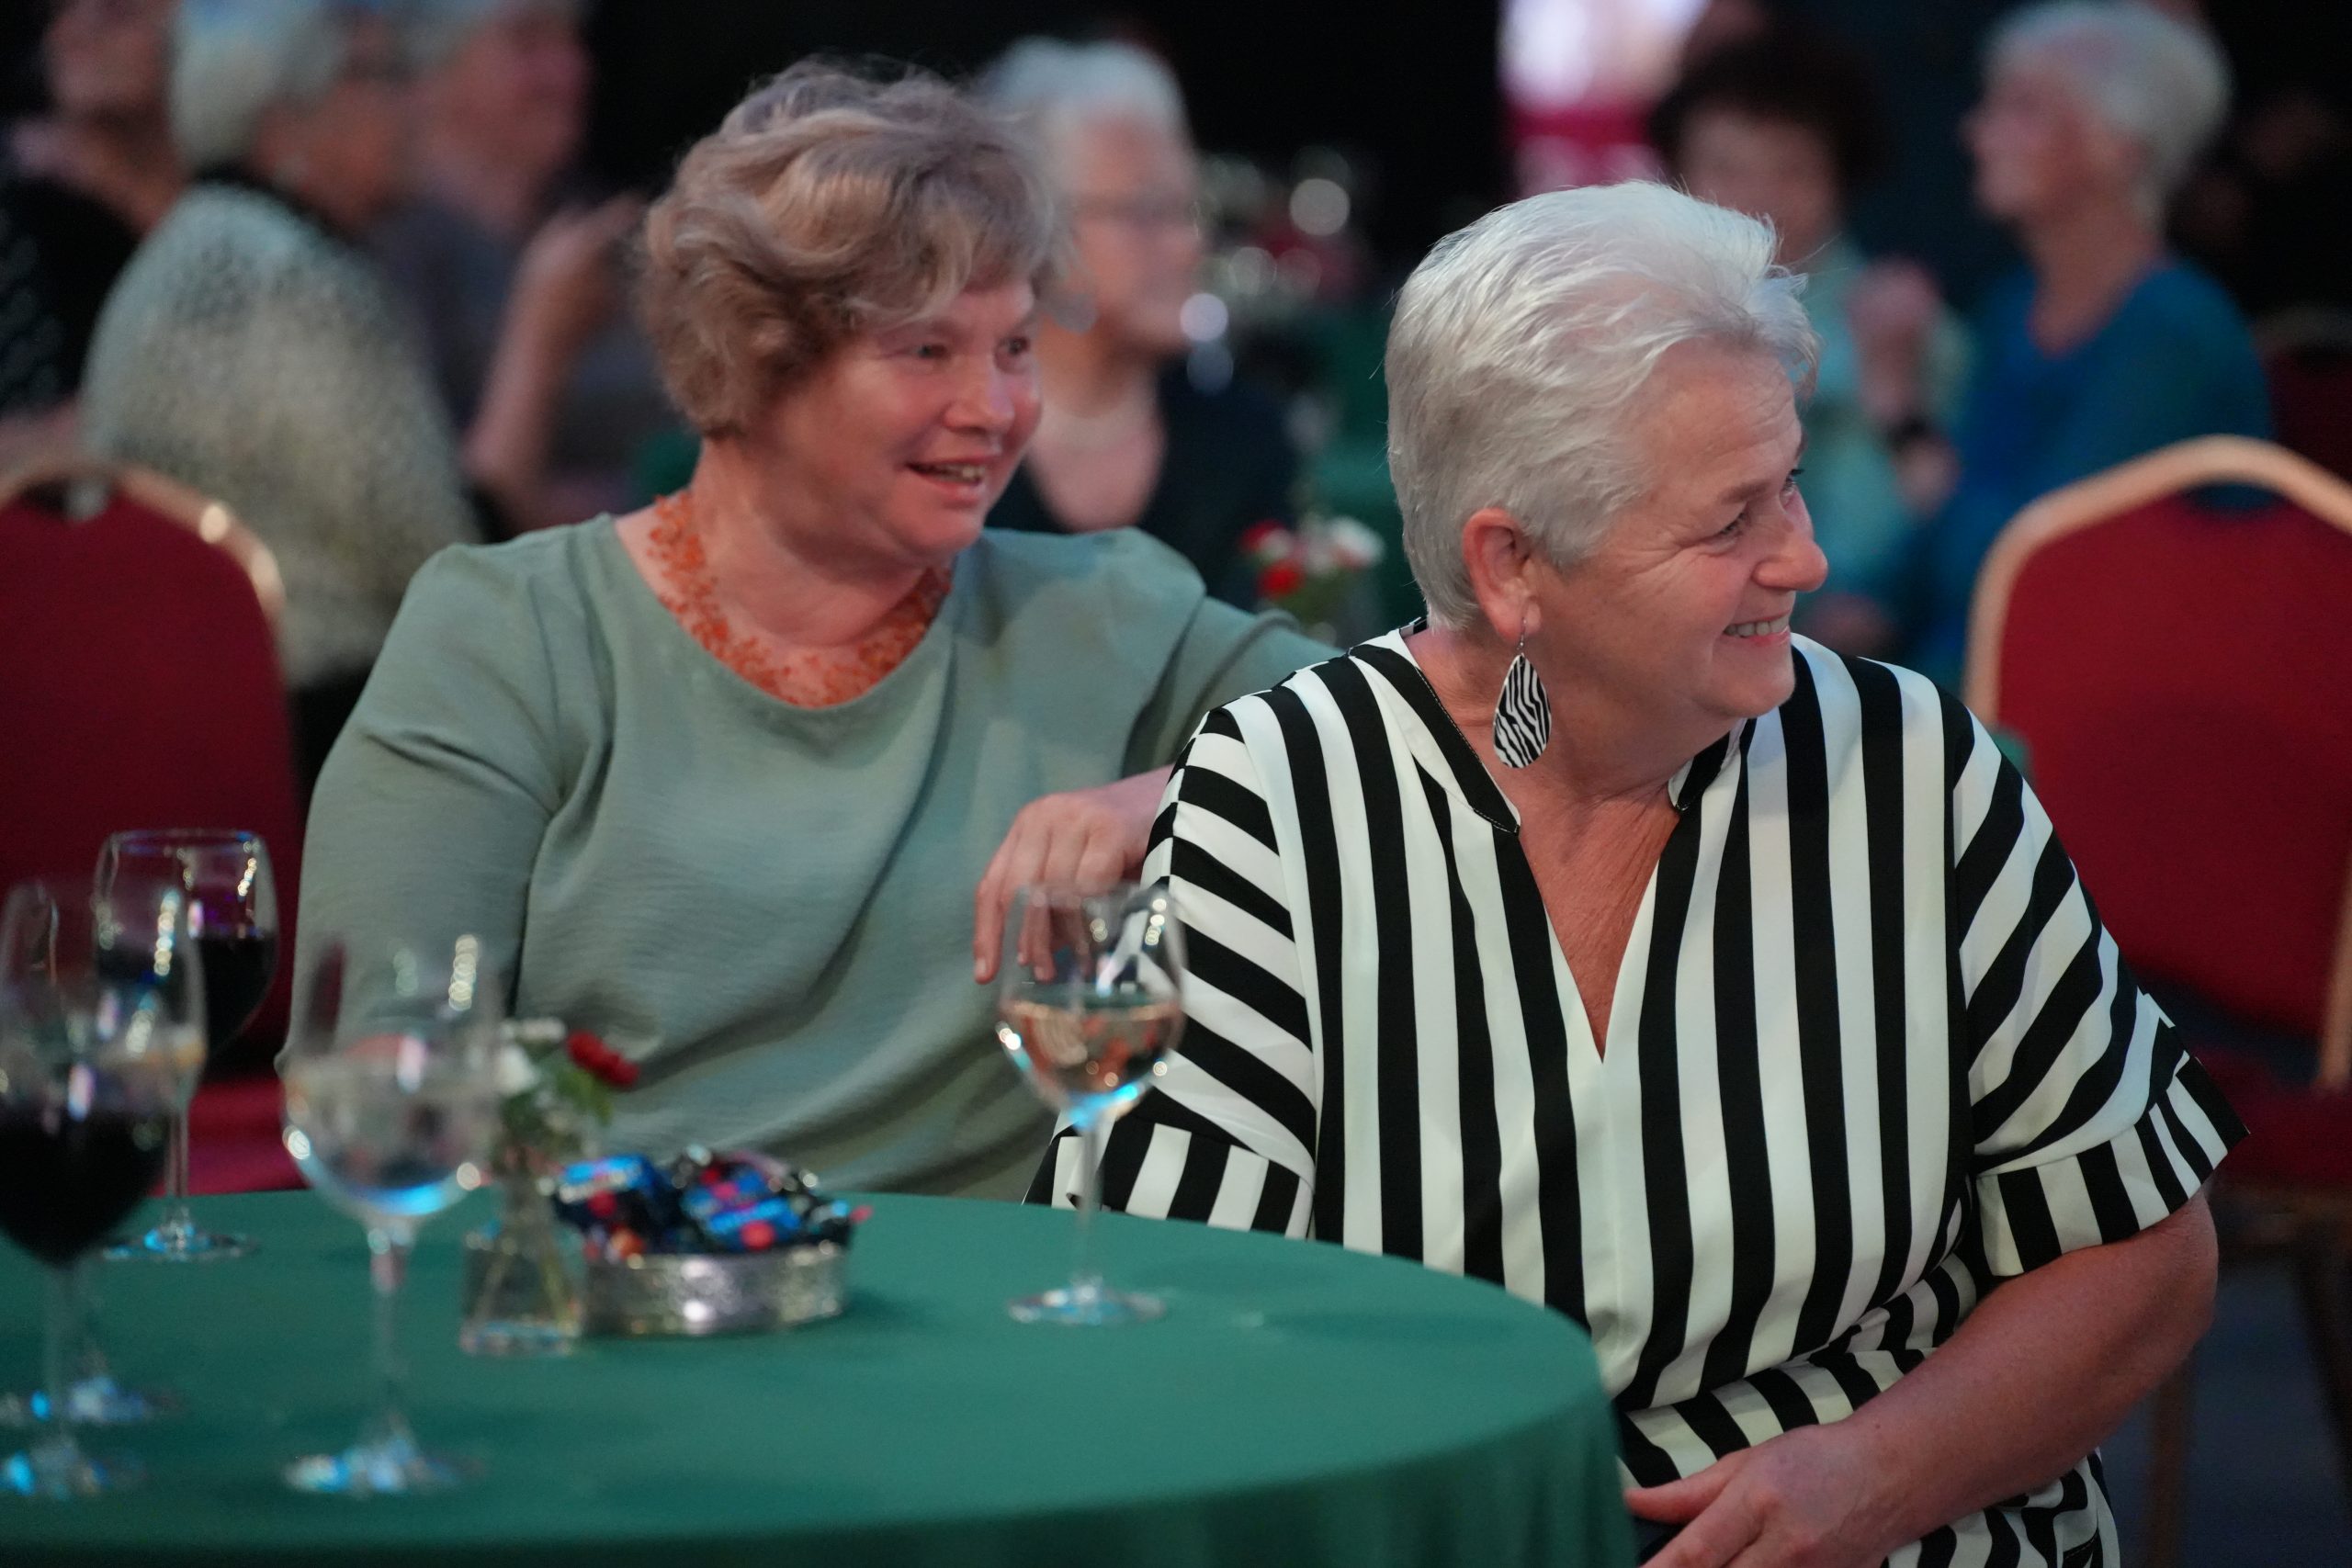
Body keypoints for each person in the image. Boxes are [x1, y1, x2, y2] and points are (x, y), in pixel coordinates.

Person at [1044, 183, 2240, 1565]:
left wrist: (1875, 1475)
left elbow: (2144, 1255)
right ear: (1511, 564)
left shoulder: (1909, 768)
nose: (1805, 556)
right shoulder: (1277, 801)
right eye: (1730, 522)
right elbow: (1165, 1308)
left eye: (1790, 482)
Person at [294, 62, 1329, 1200]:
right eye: (927, 350)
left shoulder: (1099, 611)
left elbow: (1419, 729)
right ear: (757, 362)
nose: (995, 410)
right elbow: (381, 1070)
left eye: (1014, 346)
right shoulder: (508, 636)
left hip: (999, 1293)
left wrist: (1179, 794)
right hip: (627, 1279)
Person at [78, 0, 607, 784]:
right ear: (284, 115)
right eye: (380, 74)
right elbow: (447, 564)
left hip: (188, 718)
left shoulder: (193, 243)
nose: (416, 101)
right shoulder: (289, 279)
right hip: (316, 736)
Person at [1901, 0, 2269, 685]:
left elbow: (2032, 568)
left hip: (2102, 707)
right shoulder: (2011, 305)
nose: (1977, 133)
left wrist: (1905, 420)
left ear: (2120, 146)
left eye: (2023, 108)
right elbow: (1944, 558)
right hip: (1975, 674)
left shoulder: (2171, 333)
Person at [1650, 28, 1969, 657]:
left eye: (1791, 169)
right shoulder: (1634, 324)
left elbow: (1946, 536)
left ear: (1841, 180)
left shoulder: (1911, 325)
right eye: (1726, 168)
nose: (1755, 198)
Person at [980, 38, 1297, 608]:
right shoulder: (957, 440)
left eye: (1190, 209)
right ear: (1036, 226)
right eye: (1148, 212)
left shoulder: (1243, 439)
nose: (1190, 244)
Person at [372, 0, 673, 529]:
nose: (571, 71)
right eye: (527, 42)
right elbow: (445, 519)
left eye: (573, 42)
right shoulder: (387, 257)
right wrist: (541, 339)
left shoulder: (610, 222)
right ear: (431, 74)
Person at [0, 0, 182, 459]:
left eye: (117, 12)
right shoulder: (21, 206)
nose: (70, 32)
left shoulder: (244, 198)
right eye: (57, 12)